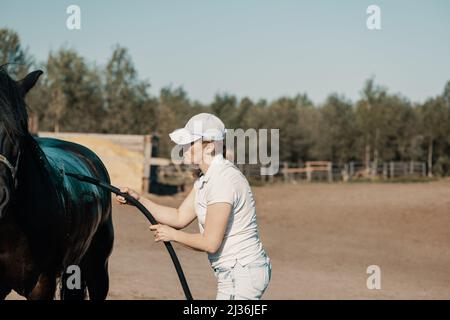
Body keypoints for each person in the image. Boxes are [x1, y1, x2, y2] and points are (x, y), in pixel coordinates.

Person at [116, 113, 272, 300]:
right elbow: (179, 216)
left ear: (210, 146)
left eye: (191, 143)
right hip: (236, 272)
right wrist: (138, 199)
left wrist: (172, 235)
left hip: (242, 272)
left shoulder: (222, 181)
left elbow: (210, 243)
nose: (184, 148)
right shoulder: (206, 179)